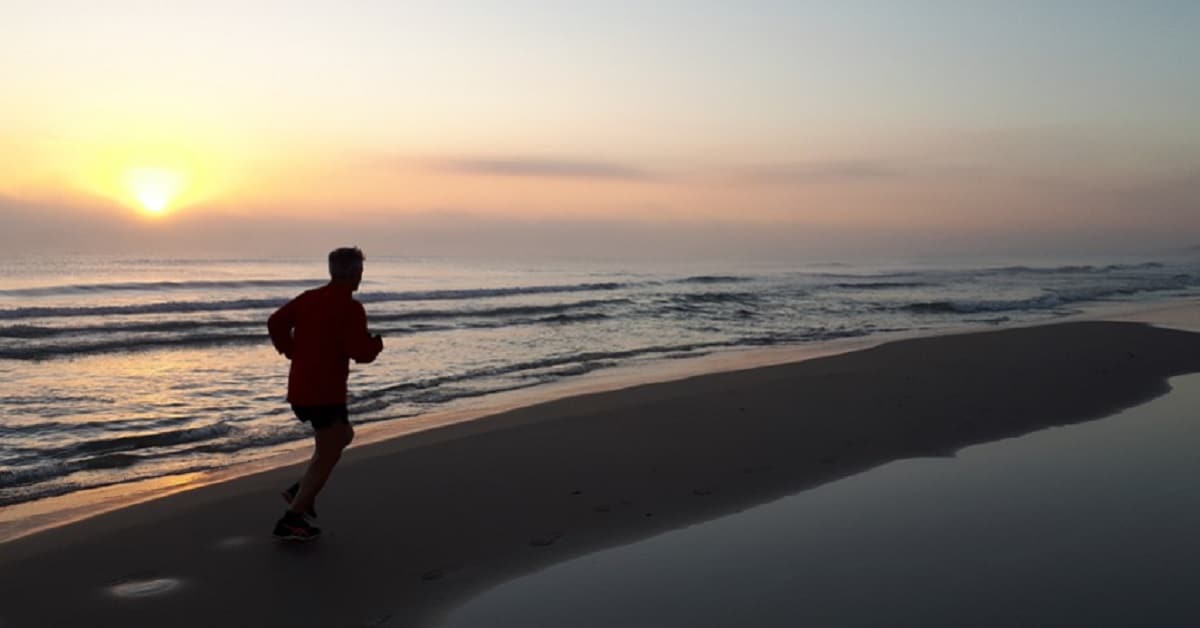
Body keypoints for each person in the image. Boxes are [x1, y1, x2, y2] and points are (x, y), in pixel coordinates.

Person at [267, 247, 383, 540]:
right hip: (324, 393)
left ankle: (300, 490)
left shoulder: (310, 298)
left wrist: (290, 349)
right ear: (355, 274)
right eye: (359, 272)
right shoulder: (350, 307)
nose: (360, 277)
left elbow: (276, 322)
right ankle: (292, 518)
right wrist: (376, 345)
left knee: (343, 436)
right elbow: (359, 352)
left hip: (304, 389)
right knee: (329, 451)